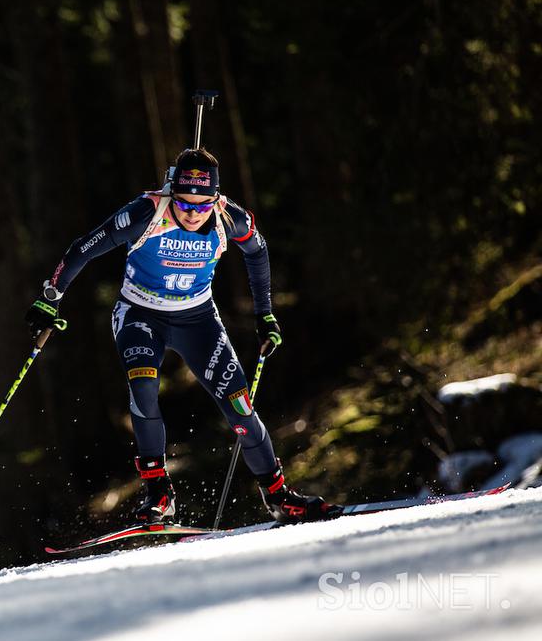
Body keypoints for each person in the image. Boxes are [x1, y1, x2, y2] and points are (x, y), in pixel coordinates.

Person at [25, 147, 341, 525]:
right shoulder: (146, 213)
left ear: (216, 199)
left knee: (240, 407)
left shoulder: (230, 218)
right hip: (140, 314)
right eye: (185, 204)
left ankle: (278, 498)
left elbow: (258, 252)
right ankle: (159, 493)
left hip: (198, 320)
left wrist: (264, 313)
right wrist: (50, 298)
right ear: (172, 193)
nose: (193, 214)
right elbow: (84, 248)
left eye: (202, 206)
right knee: (143, 388)